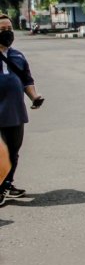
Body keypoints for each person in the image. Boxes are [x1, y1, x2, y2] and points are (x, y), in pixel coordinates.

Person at [0, 14, 44, 207]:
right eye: (2, 30)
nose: (7, 33)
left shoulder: (17, 55)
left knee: (13, 152)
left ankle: (7, 184)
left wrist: (34, 97)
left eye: (9, 28)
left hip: (15, 112)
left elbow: (26, 79)